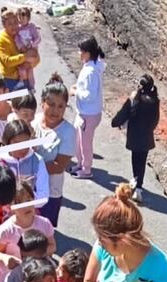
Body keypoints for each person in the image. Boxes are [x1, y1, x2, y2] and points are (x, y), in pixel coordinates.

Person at [0, 181, 55, 282]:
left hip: (37, 280)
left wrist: (40, 255)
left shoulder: (44, 224)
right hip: (12, 280)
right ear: (11, 207)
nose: (27, 205)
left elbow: (52, 246)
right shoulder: (6, 230)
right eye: (20, 202)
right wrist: (6, 258)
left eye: (29, 200)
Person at [32, 74, 76, 226]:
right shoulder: (34, 121)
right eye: (50, 104)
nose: (55, 110)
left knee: (44, 233)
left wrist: (30, 169)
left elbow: (58, 167)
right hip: (26, 191)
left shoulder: (68, 132)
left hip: (50, 193)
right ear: (42, 103)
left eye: (60, 106)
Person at [110, 74, 160, 203]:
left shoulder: (135, 99)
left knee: (135, 160)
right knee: (142, 162)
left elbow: (122, 115)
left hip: (134, 137)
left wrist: (115, 122)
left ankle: (135, 184)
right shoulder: (155, 101)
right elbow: (155, 120)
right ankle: (138, 187)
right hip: (147, 137)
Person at [69, 36, 106, 180]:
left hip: (88, 114)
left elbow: (89, 94)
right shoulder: (93, 65)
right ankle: (81, 163)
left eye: (81, 51)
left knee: (85, 143)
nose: (79, 53)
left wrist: (75, 92)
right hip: (86, 113)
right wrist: (78, 86)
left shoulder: (90, 72)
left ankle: (86, 169)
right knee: (78, 139)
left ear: (88, 53)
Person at [0, 120, 50, 201]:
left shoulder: (38, 161)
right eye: (16, 143)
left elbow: (43, 196)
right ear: (7, 142)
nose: (22, 148)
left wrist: (26, 203)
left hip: (30, 209)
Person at [0, 7, 37, 91]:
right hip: (9, 81)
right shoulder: (1, 39)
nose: (14, 26)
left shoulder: (21, 35)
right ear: (4, 25)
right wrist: (25, 57)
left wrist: (29, 63)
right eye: (10, 23)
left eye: (15, 22)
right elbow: (7, 62)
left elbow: (36, 57)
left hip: (26, 80)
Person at [13, 6, 41, 90]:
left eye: (23, 18)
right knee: (23, 67)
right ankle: (22, 82)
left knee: (28, 68)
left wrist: (32, 44)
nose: (21, 20)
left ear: (28, 18)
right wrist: (21, 47)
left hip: (32, 50)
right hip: (23, 50)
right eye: (19, 18)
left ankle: (31, 86)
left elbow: (38, 38)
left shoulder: (32, 27)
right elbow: (16, 38)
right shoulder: (18, 28)